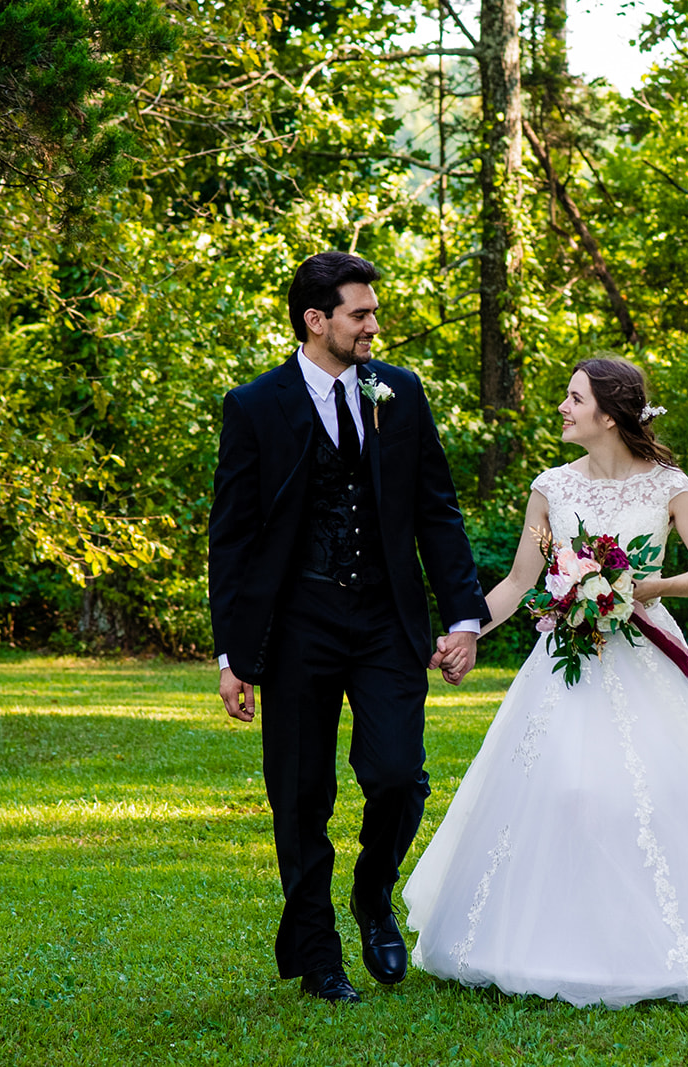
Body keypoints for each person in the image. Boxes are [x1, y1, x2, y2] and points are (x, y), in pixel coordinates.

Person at [402, 358, 688, 1008]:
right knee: (564, 789)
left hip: (645, 655)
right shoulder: (551, 487)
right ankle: (554, 940)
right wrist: (466, 631)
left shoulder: (668, 485)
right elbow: (523, 581)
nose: (562, 409)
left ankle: (676, 940)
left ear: (607, 412)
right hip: (567, 660)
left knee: (663, 792)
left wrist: (648, 586)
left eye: (573, 398)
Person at [208, 251, 490, 1004]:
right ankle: (315, 953)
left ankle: (373, 892)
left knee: (397, 773)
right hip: (297, 624)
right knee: (300, 793)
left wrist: (465, 616)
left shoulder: (400, 391)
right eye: (360, 313)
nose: (374, 324)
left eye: (372, 311)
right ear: (316, 320)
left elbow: (436, 507)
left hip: (384, 620)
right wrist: (233, 652)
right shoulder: (255, 406)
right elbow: (230, 537)